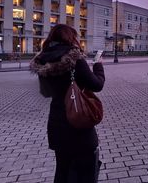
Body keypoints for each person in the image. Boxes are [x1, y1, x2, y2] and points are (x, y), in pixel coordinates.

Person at [30, 24, 105, 183]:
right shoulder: (74, 58)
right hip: (78, 121)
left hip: (57, 125)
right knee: (85, 171)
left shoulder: (43, 59)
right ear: (69, 38)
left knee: (62, 170)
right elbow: (97, 85)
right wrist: (98, 65)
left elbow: (46, 92)